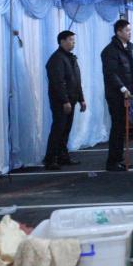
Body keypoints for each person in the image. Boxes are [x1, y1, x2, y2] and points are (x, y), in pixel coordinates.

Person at [101, 19, 133, 171]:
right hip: (116, 94)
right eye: (127, 30)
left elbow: (129, 69)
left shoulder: (128, 46)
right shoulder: (109, 51)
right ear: (119, 32)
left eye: (130, 30)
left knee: (122, 128)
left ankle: (119, 159)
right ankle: (112, 162)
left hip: (127, 93)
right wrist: (122, 88)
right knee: (117, 127)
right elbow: (111, 73)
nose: (130, 33)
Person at [43, 30, 86, 170]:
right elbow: (58, 82)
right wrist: (65, 101)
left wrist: (81, 99)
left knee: (65, 130)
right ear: (62, 41)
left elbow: (76, 80)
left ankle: (62, 156)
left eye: (74, 40)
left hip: (71, 100)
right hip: (61, 102)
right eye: (70, 40)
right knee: (58, 130)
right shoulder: (56, 59)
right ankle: (50, 159)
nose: (73, 42)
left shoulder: (70, 58)